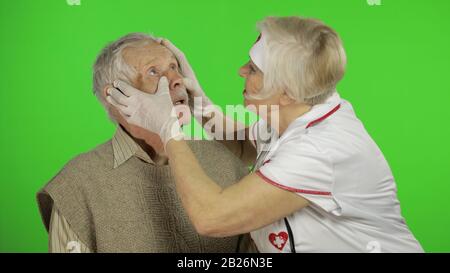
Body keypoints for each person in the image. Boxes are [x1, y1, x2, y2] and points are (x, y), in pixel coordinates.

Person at [107, 17, 424, 252]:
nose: (241, 70)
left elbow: (212, 217)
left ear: (286, 93)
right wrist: (198, 101)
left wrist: (168, 129)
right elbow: (246, 145)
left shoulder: (319, 149)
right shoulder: (305, 105)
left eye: (254, 69)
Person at [36, 33, 252, 253]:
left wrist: (203, 108)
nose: (178, 80)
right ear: (115, 97)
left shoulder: (229, 164)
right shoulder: (76, 185)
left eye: (174, 67)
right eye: (153, 72)